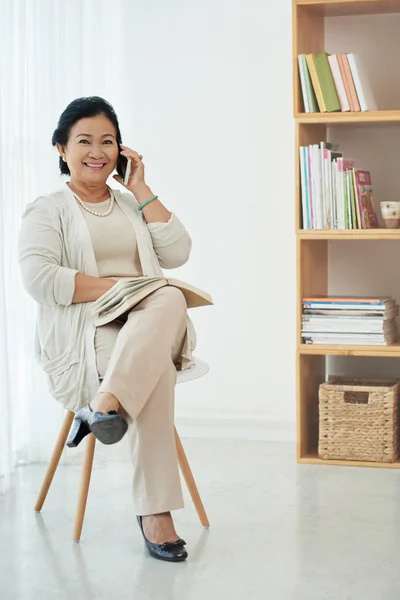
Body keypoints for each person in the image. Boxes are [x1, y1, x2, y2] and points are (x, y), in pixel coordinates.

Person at [18, 96, 197, 562]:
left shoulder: (131, 203)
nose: (97, 151)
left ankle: (103, 404)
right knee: (154, 364)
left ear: (121, 151)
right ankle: (157, 514)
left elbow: (178, 252)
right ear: (61, 148)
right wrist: (119, 288)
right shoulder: (48, 209)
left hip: (151, 321)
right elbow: (40, 279)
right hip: (88, 329)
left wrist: (141, 188)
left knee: (170, 295)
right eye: (84, 141)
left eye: (108, 141)